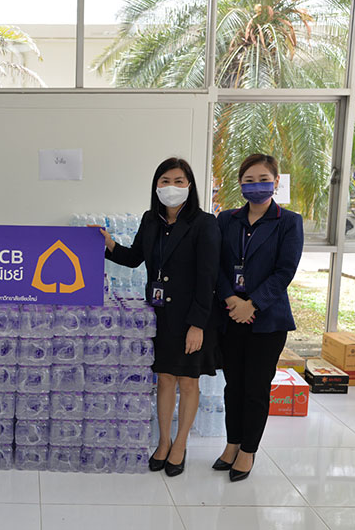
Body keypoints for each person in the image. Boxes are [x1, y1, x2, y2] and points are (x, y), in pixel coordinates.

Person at [97, 157, 220, 477]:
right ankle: (163, 442)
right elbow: (134, 258)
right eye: (165, 181)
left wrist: (198, 324)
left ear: (190, 185)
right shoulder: (151, 220)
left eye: (179, 181)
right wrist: (108, 244)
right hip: (160, 314)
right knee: (164, 379)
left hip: (191, 317)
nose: (171, 187)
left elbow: (208, 277)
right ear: (156, 186)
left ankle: (180, 445)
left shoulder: (204, 223)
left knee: (188, 382)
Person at [213, 153, 303, 482]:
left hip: (267, 320)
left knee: (255, 388)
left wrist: (253, 304)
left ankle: (248, 450)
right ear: (240, 184)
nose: (256, 186)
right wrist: (230, 299)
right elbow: (216, 265)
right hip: (230, 315)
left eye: (263, 179)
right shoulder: (226, 220)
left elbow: (284, 272)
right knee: (233, 386)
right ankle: (232, 443)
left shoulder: (288, 221)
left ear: (276, 182)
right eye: (248, 180)